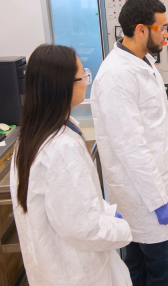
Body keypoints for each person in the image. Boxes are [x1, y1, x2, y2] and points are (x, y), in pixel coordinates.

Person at [91, 0, 168, 286]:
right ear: (140, 30)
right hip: (145, 199)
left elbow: (155, 131)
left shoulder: (143, 61)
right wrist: (158, 201)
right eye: (162, 28)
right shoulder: (117, 76)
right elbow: (131, 148)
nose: (167, 34)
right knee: (161, 274)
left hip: (152, 189)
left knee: (140, 272)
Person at [11, 44, 133, 286]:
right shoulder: (60, 148)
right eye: (82, 76)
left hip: (53, 267)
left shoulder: (32, 135)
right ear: (61, 86)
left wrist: (104, 212)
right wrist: (122, 228)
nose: (86, 81)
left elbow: (69, 208)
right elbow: (84, 229)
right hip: (76, 273)